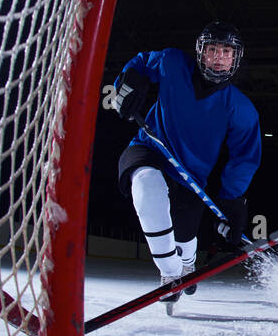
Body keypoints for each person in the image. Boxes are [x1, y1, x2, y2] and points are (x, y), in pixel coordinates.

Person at [111, 21, 261, 305]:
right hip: (150, 148)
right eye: (213, 50)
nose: (219, 57)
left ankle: (187, 260)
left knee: (185, 238)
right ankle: (170, 275)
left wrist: (232, 199)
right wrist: (128, 81)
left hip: (190, 176)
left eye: (227, 52)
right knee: (145, 183)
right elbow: (142, 63)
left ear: (236, 58)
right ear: (200, 52)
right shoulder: (172, 62)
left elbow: (244, 156)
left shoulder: (240, 108)